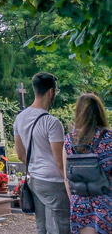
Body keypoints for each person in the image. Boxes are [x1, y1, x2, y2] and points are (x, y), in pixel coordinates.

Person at [14, 72, 70, 234]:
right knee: (61, 227)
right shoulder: (52, 123)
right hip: (55, 182)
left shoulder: (20, 118)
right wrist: (70, 188)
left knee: (42, 228)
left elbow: (20, 154)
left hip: (35, 180)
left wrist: (34, 168)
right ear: (51, 92)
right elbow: (60, 162)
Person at [64, 94, 112, 234]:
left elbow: (66, 177)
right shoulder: (109, 137)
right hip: (107, 201)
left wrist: (75, 201)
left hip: (79, 202)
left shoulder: (69, 139)